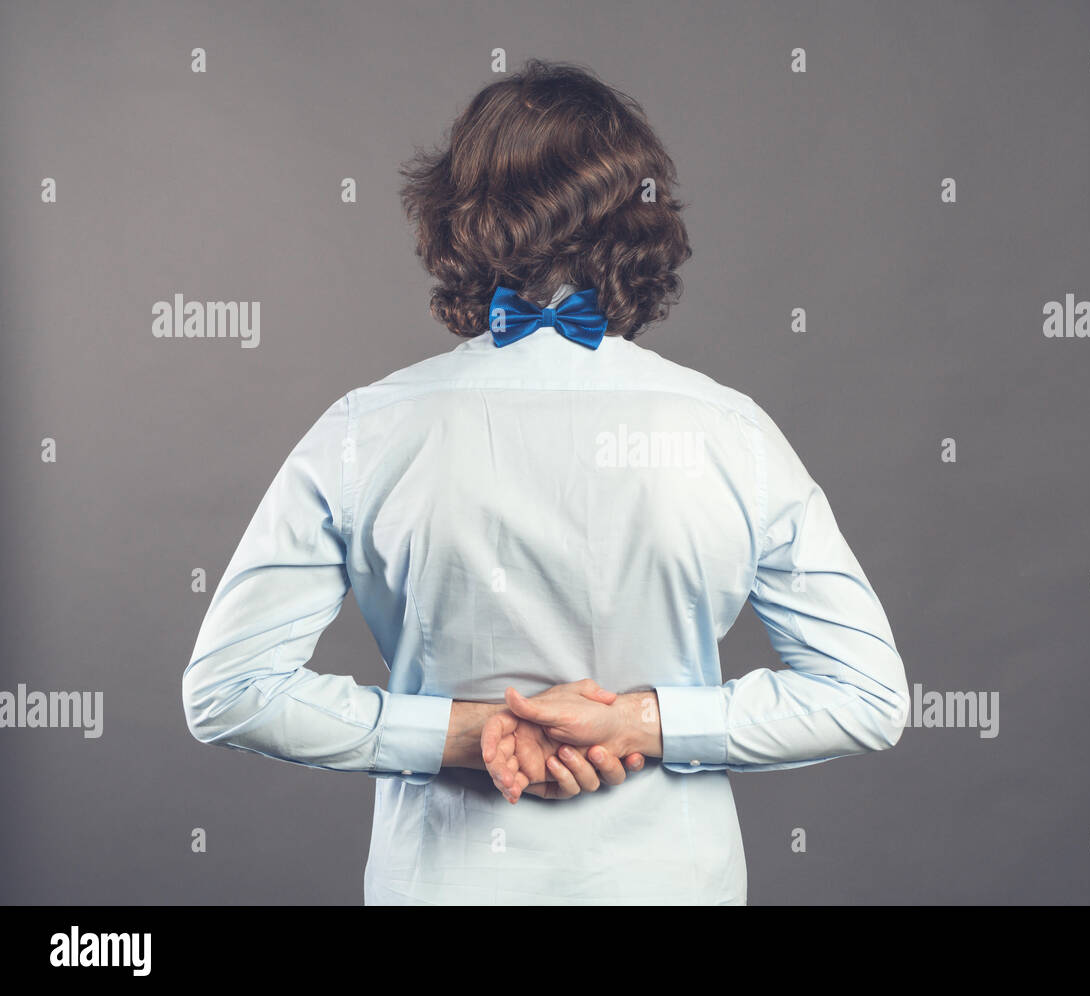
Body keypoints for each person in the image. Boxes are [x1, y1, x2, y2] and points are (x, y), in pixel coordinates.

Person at [182, 58, 908, 906]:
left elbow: (228, 692)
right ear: (643, 225)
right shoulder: (731, 432)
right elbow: (867, 696)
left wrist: (462, 734)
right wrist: (641, 722)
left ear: (456, 223)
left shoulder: (363, 431)